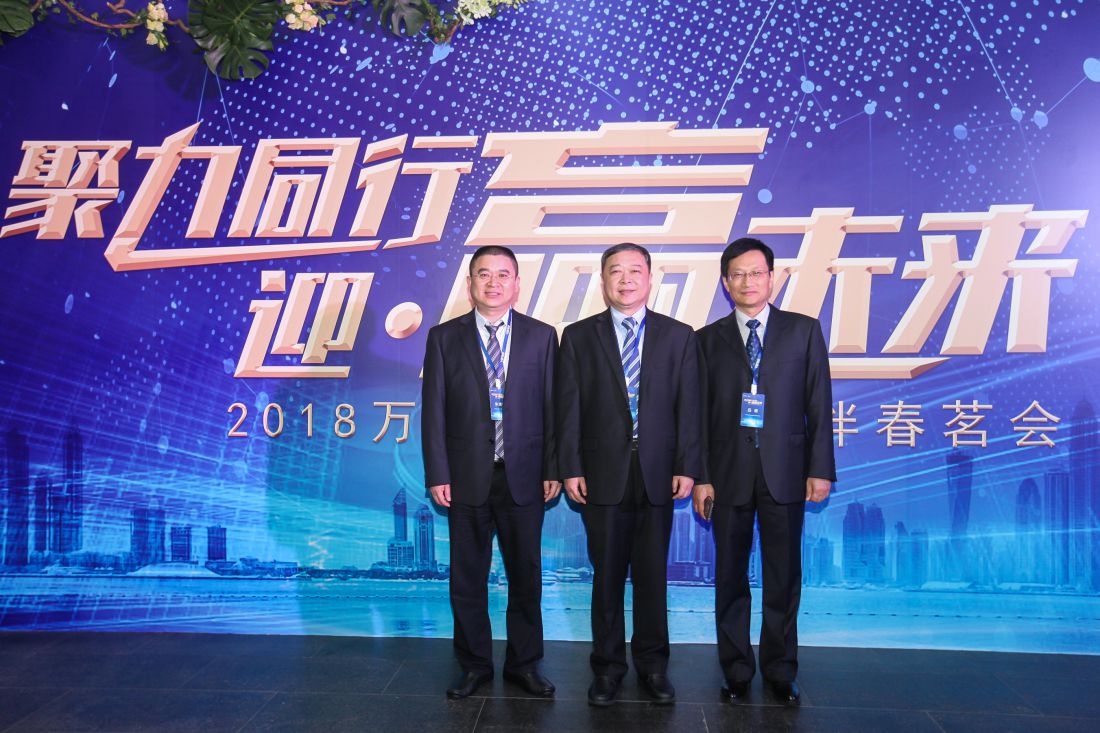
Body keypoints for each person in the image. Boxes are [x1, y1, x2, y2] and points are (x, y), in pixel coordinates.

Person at [556, 242, 701, 706]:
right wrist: (570, 467)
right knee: (607, 577)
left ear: (650, 278)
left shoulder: (679, 336)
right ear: (602, 281)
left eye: (634, 270)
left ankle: (654, 667)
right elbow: (568, 409)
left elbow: (689, 409)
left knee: (653, 576)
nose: (625, 279)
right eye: (615, 271)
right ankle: (607, 668)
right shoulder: (578, 336)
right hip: (601, 474)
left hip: (659, 474)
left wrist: (687, 467)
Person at [693, 237, 835, 704]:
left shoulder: (803, 331)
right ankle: (736, 671)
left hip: (786, 472)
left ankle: (780, 670)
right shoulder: (706, 339)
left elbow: (819, 403)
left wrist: (820, 469)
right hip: (727, 475)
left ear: (772, 278)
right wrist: (702, 476)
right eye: (737, 274)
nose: (747, 282)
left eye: (756, 273)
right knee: (730, 578)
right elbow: (698, 416)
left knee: (783, 578)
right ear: (725, 282)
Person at [421, 245, 561, 699]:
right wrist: (438, 472)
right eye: (484, 274)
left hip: (526, 475)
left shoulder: (542, 336)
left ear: (517, 284)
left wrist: (553, 468)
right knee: (467, 579)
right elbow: (434, 411)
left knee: (526, 577)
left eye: (503, 274)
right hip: (465, 477)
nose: (494, 283)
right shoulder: (444, 337)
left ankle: (525, 665)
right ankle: (474, 665)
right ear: (470, 284)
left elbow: (553, 409)